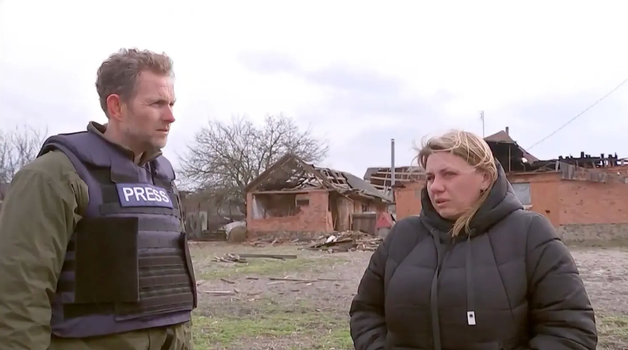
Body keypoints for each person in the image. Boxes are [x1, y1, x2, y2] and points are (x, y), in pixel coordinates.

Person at [0, 48, 197, 350]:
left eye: (171, 103)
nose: (170, 116)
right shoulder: (55, 176)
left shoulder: (162, 177)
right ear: (116, 107)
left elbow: (167, 294)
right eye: (157, 103)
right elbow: (18, 296)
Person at [349, 130, 597, 350]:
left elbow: (571, 331)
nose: (435, 187)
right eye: (431, 177)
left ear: (485, 178)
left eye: (448, 174)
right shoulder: (403, 235)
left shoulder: (529, 233)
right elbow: (366, 311)